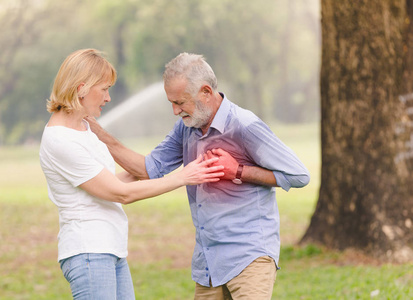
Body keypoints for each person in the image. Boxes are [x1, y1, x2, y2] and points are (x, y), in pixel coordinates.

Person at [87, 52, 310, 300]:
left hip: (249, 256)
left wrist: (237, 171)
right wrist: (97, 132)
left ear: (205, 92)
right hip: (209, 264)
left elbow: (298, 175)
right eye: (171, 102)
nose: (175, 111)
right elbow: (148, 169)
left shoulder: (244, 125)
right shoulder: (186, 127)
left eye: (180, 102)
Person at [39, 49, 224, 300]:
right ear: (82, 88)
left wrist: (151, 168)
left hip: (110, 249)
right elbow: (119, 193)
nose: (108, 97)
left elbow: (110, 183)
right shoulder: (60, 139)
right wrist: (183, 176)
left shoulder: (83, 129)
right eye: (104, 89)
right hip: (89, 252)